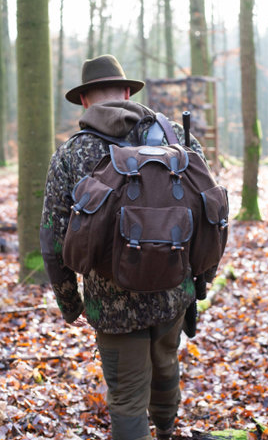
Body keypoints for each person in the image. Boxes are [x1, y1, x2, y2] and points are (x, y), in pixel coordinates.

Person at [40, 55, 207, 440]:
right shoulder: (177, 138)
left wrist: (71, 304)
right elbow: (209, 211)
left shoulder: (70, 154)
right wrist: (199, 278)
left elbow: (52, 240)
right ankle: (166, 431)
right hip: (173, 289)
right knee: (166, 365)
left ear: (84, 100)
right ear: (129, 92)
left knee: (127, 397)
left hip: (112, 304)